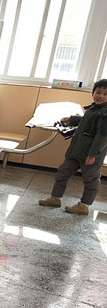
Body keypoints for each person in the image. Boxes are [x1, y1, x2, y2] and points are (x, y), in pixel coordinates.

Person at [39, 79, 107, 215]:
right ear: (93, 93)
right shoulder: (93, 109)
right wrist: (71, 119)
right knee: (62, 172)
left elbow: (103, 137)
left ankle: (84, 206)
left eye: (105, 94)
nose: (100, 96)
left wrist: (93, 154)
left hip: (90, 156)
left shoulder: (105, 114)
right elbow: (85, 120)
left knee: (91, 181)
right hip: (76, 152)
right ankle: (55, 198)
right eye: (98, 92)